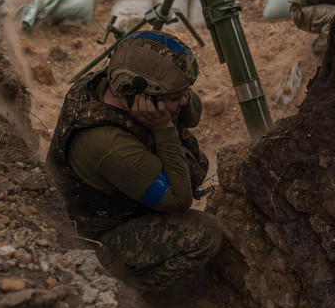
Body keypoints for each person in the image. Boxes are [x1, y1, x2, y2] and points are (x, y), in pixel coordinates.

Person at [46, 30, 220, 291]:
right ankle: (125, 292)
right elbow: (178, 200)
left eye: (184, 93)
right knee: (205, 233)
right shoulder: (107, 143)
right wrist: (163, 128)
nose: (184, 101)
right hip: (93, 243)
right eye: (175, 98)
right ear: (136, 94)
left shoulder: (110, 84)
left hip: (119, 199)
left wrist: (174, 97)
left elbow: (192, 115)